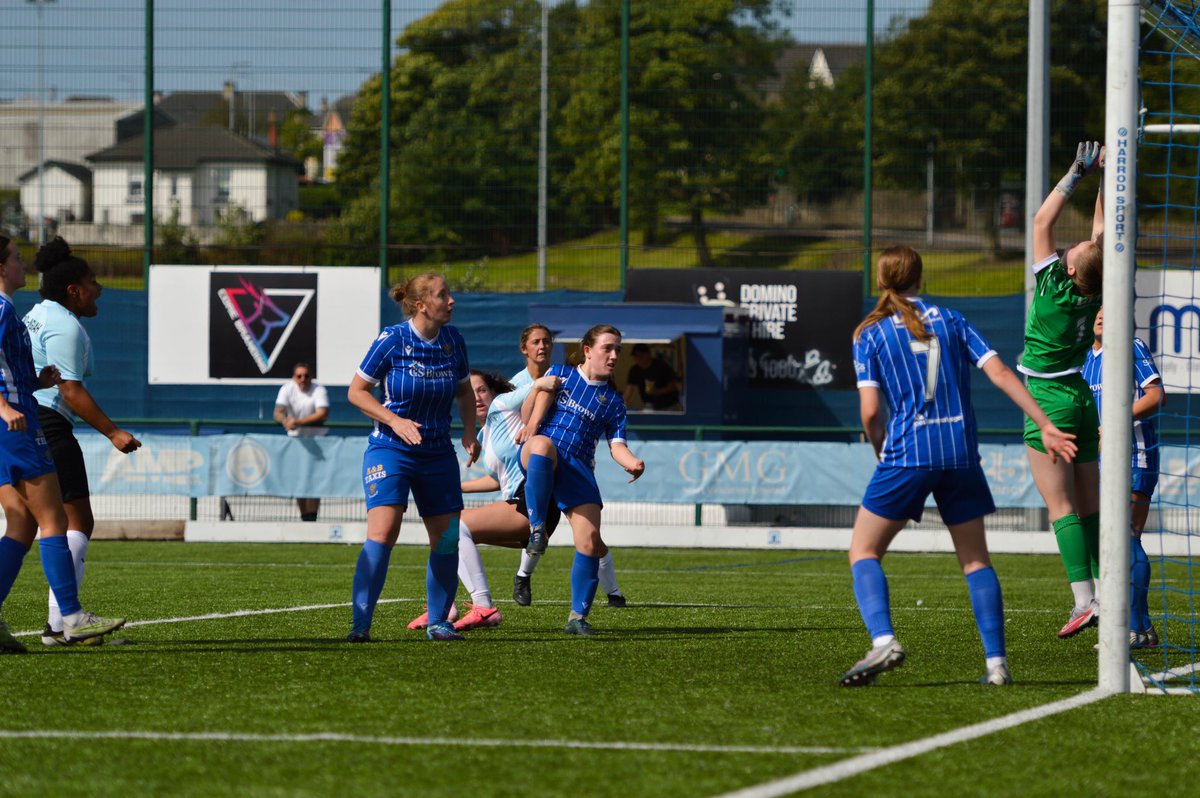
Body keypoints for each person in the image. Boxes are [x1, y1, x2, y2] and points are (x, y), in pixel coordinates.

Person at [839, 245, 1078, 687]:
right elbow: (1002, 372)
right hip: (960, 453)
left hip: (908, 454)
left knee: (864, 551)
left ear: (881, 281)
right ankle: (996, 664)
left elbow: (871, 412)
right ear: (921, 278)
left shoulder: (869, 334)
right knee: (975, 561)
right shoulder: (952, 320)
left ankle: (884, 639)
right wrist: (1044, 423)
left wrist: (880, 449)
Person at [0, 235, 126, 654]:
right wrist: (4, 408)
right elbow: (70, 390)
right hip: (29, 424)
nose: (23, 266)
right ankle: (66, 620)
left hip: (25, 418)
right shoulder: (15, 312)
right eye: (15, 259)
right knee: (63, 520)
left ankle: (60, 620)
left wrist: (34, 382)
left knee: (21, 523)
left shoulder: (27, 314)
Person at [345, 273, 480, 643]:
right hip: (391, 448)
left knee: (448, 537)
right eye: (443, 295)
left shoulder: (453, 341)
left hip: (437, 452)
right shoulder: (392, 339)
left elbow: (466, 392)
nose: (451, 301)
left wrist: (470, 431)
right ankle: (361, 624)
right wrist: (394, 420)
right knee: (384, 532)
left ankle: (439, 623)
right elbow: (356, 393)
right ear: (421, 305)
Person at [1022, 141, 1105, 639]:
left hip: (1048, 398)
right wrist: (1108, 179)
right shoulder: (1099, 281)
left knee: (1062, 508)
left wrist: (1076, 172)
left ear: (1070, 268)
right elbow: (1101, 236)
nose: (1072, 247)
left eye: (1074, 253)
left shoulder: (1054, 284)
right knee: (1091, 506)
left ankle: (1084, 600)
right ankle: (1109, 589)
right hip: (1080, 394)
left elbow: (1039, 224)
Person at [518, 324, 644, 636]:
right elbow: (526, 419)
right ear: (587, 350)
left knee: (589, 541)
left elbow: (617, 445)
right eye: (607, 348)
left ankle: (578, 617)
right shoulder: (561, 373)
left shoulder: (614, 402)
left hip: (579, 468)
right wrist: (536, 389)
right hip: (541, 453)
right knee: (544, 445)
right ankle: (537, 530)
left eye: (618, 350)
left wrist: (634, 464)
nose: (614, 355)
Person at [1081, 307, 1165, 648]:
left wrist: (1115, 421)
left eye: (1109, 310)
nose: (1102, 315)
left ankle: (1134, 627)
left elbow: (1156, 396)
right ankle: (1142, 629)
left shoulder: (1131, 346)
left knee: (1126, 536)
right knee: (1115, 541)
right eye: (1098, 311)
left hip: (1135, 454)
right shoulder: (1086, 359)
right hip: (1101, 461)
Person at [274, 361, 329, 522]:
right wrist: (286, 421)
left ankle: (313, 517)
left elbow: (322, 413)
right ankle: (304, 516)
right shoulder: (287, 389)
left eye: (306, 375)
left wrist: (297, 422)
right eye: (299, 376)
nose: (303, 379)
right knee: (298, 479)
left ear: (311, 377)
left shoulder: (319, 390)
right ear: (294, 377)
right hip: (297, 442)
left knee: (314, 479)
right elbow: (278, 412)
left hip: (317, 442)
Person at [622, 343, 681, 411]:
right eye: (636, 357)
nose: (638, 359)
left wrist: (657, 391)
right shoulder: (635, 370)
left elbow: (673, 387)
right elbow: (628, 391)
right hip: (651, 406)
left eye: (641, 356)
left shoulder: (661, 366)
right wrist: (621, 405)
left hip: (669, 405)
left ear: (648, 354)